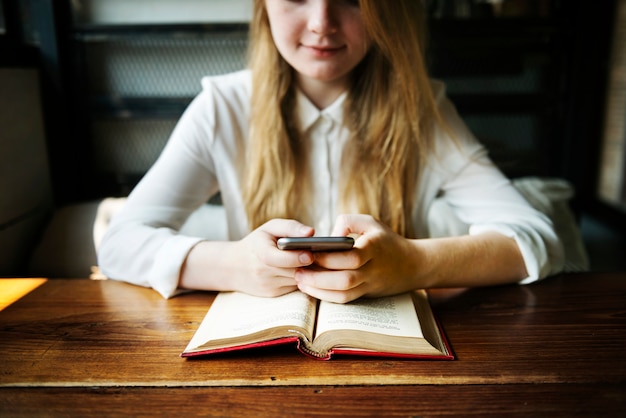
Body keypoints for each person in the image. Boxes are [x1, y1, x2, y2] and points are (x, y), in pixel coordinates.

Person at [98, 0, 564, 301]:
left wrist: (414, 264)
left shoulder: (423, 112)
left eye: (350, 0)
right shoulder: (223, 108)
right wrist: (234, 265)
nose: (322, 23)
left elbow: (536, 238)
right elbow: (120, 242)